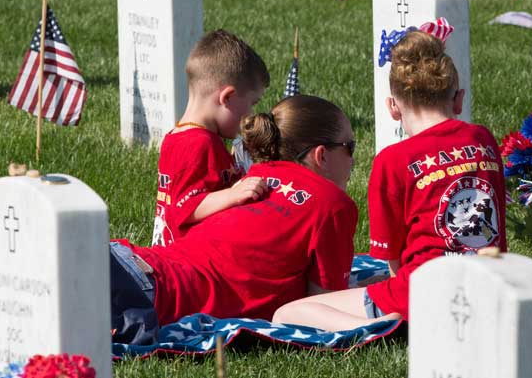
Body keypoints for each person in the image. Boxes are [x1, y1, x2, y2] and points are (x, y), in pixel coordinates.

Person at [273, 31, 506, 331]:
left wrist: (390, 291)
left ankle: (381, 325)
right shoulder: (483, 138)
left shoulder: (393, 160)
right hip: (491, 284)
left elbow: (393, 261)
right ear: (458, 100)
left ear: (392, 107)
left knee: (287, 313)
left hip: (423, 294)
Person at [111, 95, 362, 345]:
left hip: (128, 261)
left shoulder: (251, 177)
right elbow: (322, 303)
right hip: (143, 297)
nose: (353, 159)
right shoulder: (333, 204)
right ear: (322, 155)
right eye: (349, 147)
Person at [152, 29, 270, 246]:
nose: (252, 114)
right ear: (228, 97)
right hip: (186, 263)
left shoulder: (185, 136)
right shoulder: (197, 143)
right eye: (252, 103)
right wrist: (235, 193)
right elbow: (186, 208)